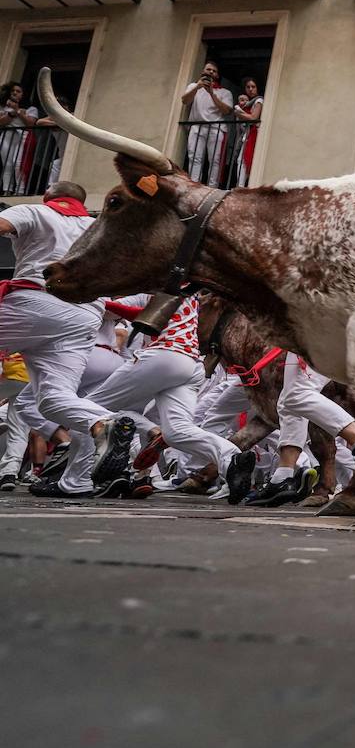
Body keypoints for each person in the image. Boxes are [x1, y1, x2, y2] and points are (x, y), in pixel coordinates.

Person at [49, 294, 256, 500]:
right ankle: (232, 458)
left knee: (89, 410)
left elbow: (118, 311)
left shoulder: (164, 281)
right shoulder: (190, 293)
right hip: (191, 364)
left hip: (162, 356)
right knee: (178, 431)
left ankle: (75, 483)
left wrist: (90, 300)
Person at [0, 182, 134, 497]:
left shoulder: (36, 210)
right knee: (53, 398)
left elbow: (3, 224)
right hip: (85, 316)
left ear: (50, 195)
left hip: (37, 302)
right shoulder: (97, 226)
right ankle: (87, 457)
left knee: (45, 400)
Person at [250, 352, 355, 507]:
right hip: (309, 334)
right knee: (287, 402)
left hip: (317, 333)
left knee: (297, 394)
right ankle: (282, 478)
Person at [180, 60, 233, 186]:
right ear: (203, 71)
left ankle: (212, 187)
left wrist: (212, 94)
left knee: (214, 160)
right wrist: (198, 87)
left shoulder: (225, 92)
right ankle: (194, 185)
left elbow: (227, 111)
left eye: (214, 71)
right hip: (196, 127)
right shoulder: (193, 86)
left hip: (215, 129)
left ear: (217, 76)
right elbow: (185, 101)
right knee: (194, 158)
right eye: (208, 69)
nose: (211, 72)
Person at [1, 81, 37, 194]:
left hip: (23, 136)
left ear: (23, 94)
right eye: (13, 91)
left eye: (18, 91)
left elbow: (31, 123)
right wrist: (11, 113)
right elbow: (1, 122)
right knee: (7, 163)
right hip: (7, 136)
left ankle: (19, 191)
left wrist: (17, 111)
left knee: (18, 163)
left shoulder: (31, 109)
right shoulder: (2, 107)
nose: (15, 93)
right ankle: (7, 190)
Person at [232, 76, 263, 187]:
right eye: (248, 87)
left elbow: (254, 117)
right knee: (241, 161)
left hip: (253, 134)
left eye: (253, 87)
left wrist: (239, 113)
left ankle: (241, 187)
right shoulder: (248, 103)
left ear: (257, 88)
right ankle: (240, 186)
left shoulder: (259, 100)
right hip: (248, 134)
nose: (250, 89)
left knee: (245, 161)